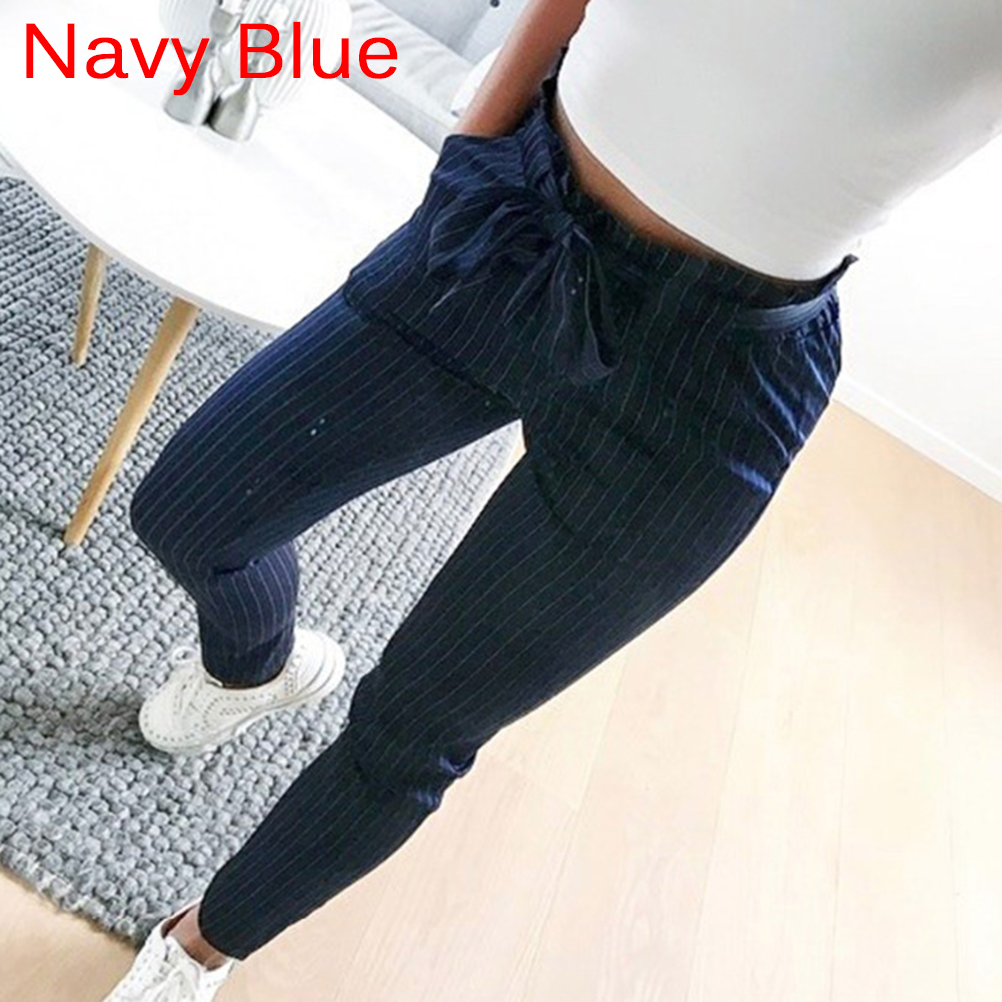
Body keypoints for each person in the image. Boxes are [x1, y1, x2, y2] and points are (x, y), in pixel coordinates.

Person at [102, 0, 1002, 998]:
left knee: (414, 732)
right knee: (190, 510)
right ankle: (254, 668)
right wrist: (472, 153)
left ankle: (197, 950)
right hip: (518, 219)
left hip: (718, 377)